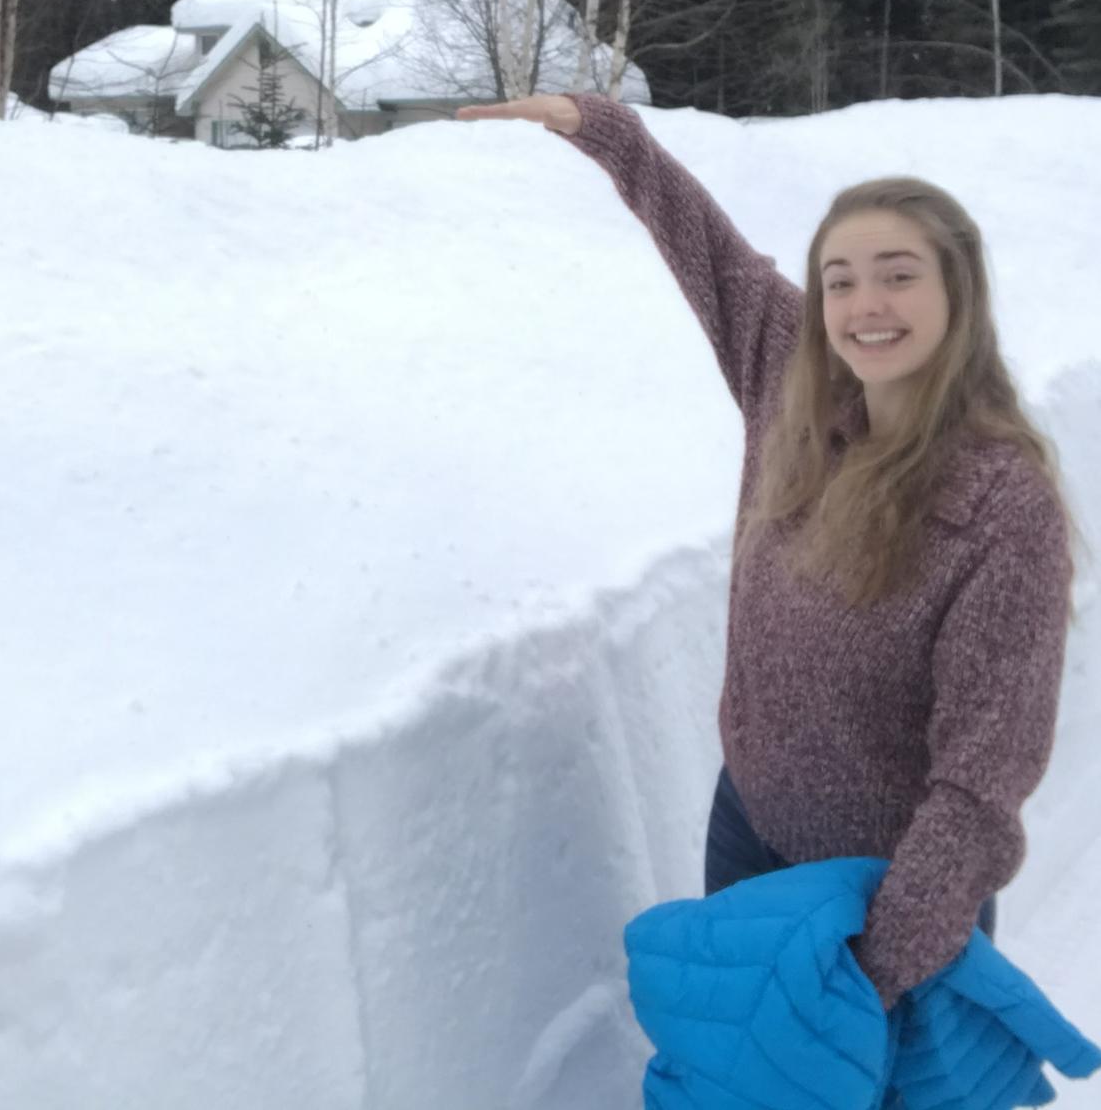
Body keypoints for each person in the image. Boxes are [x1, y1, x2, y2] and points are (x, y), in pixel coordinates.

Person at [456, 90, 1079, 1019]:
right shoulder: (793, 385)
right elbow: (713, 255)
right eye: (839, 279)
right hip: (749, 836)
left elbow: (981, 788)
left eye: (898, 275)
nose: (865, 305)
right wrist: (606, 131)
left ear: (960, 291)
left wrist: (871, 969)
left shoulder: (1000, 505)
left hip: (891, 903)